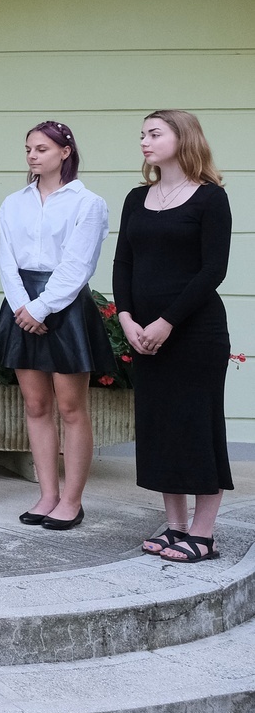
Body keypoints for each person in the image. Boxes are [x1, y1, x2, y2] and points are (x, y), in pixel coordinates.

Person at [114, 110, 233, 564]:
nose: (144, 141)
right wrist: (126, 318)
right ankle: (176, 525)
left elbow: (213, 270)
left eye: (154, 133)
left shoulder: (211, 198)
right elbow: (123, 262)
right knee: (161, 426)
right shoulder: (136, 197)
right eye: (142, 134)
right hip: (144, 333)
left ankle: (204, 534)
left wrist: (166, 322)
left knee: (197, 426)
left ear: (183, 139)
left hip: (195, 333)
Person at [0, 121, 112, 530]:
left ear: (65, 151)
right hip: (21, 305)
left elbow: (79, 263)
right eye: (28, 149)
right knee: (36, 405)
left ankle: (72, 501)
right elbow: (6, 259)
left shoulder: (87, 203)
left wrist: (42, 309)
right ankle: (47, 494)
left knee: (71, 408)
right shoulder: (13, 203)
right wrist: (23, 308)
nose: (32, 155)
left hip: (65, 306)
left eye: (41, 149)